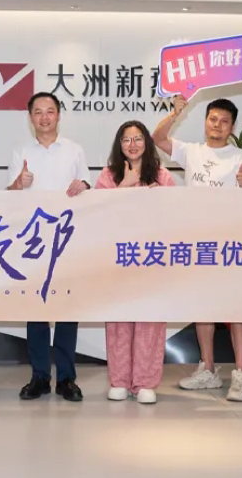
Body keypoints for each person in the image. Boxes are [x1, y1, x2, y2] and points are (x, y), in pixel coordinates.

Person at [151, 95, 242, 402]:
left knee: (236, 310)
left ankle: (240, 375)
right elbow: (157, 138)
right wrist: (174, 114)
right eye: (213, 119)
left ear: (232, 127)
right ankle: (208, 369)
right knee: (204, 307)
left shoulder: (240, 157)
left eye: (224, 121)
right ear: (205, 121)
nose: (217, 125)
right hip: (199, 243)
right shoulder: (191, 151)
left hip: (231, 244)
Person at [7, 91, 90, 403]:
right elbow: (8, 196)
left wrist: (84, 186)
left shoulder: (74, 150)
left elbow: (87, 187)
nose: (44, 117)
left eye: (50, 111)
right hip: (34, 242)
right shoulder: (21, 151)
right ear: (31, 117)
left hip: (68, 240)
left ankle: (66, 378)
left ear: (58, 115)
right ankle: (39, 376)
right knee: (37, 310)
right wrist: (19, 184)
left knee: (67, 309)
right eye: (38, 112)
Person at [94, 120, 173, 404]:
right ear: (119, 145)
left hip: (152, 258)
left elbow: (174, 216)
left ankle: (145, 383)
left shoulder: (163, 176)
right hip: (118, 258)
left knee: (150, 320)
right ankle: (119, 381)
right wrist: (124, 186)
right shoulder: (107, 175)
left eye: (138, 138)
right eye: (126, 140)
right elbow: (98, 214)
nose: (133, 144)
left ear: (146, 143)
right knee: (119, 320)